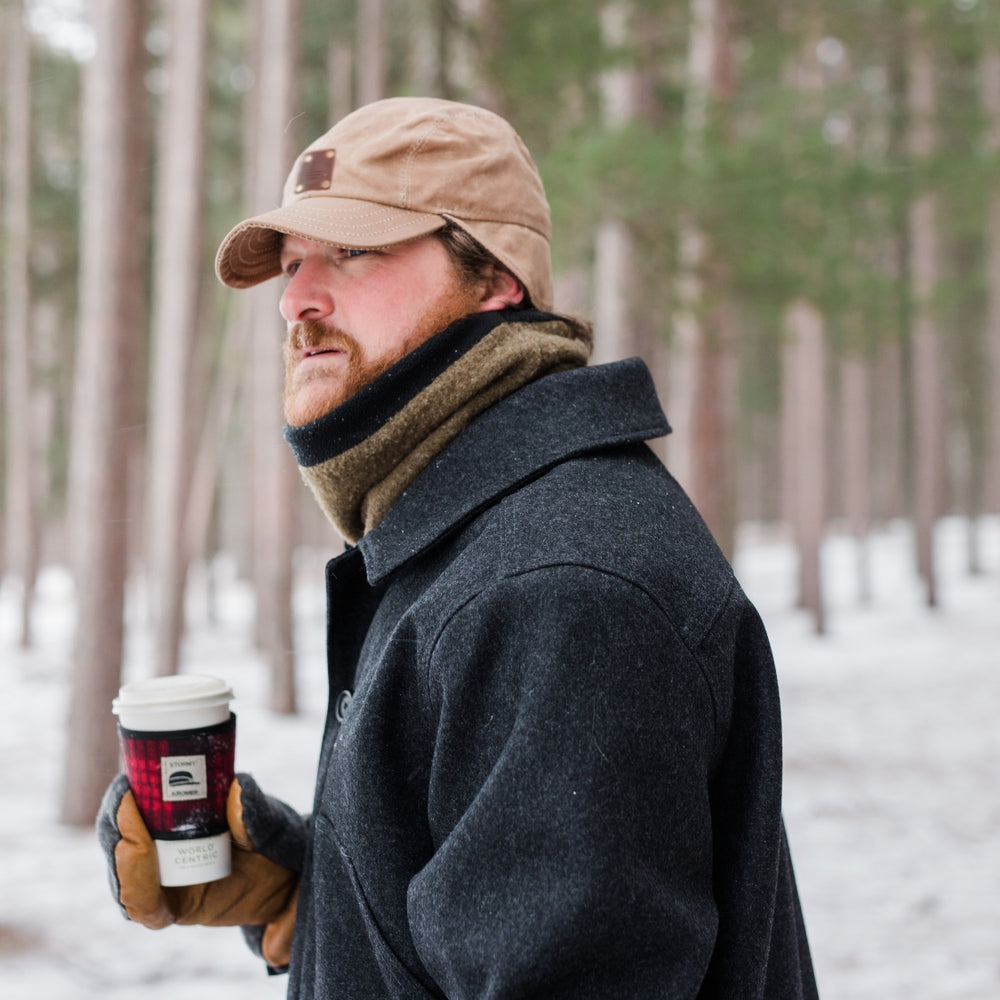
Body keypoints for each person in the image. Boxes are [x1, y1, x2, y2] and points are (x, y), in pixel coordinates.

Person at [99, 96, 818, 999]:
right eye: (292, 263)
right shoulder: (470, 540)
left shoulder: (554, 587)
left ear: (496, 280)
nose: (296, 299)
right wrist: (314, 902)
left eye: (353, 251)